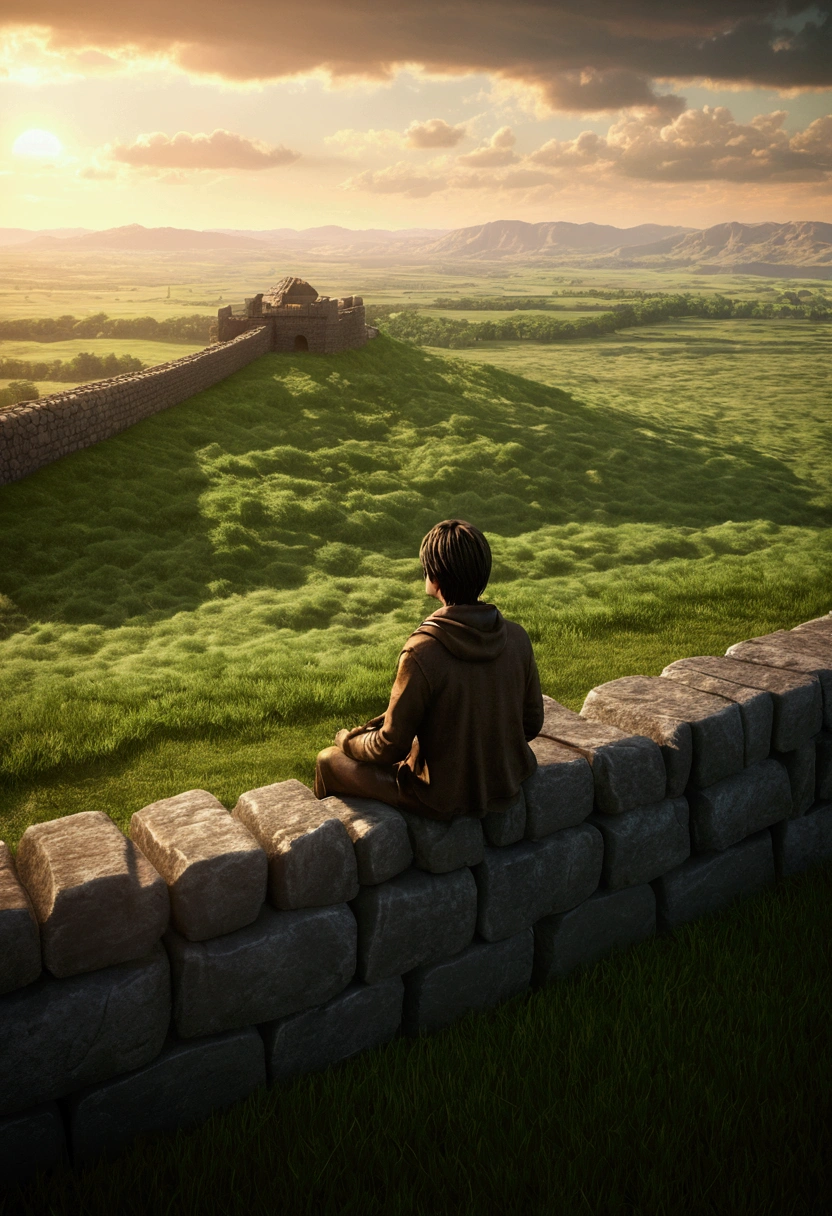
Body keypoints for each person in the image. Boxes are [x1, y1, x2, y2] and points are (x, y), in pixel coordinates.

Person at [314, 519, 544, 821]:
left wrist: (347, 740)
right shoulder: (517, 637)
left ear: (433, 576)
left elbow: (389, 747)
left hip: (440, 797)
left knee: (328, 760)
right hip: (507, 780)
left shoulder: (422, 651)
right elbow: (531, 724)